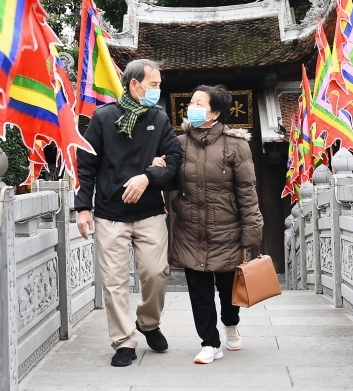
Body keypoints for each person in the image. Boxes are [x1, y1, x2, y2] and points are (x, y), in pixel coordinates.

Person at [75, 59, 181, 367]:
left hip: (149, 211)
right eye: (153, 85)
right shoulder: (103, 118)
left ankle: (147, 322)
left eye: (159, 85)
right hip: (109, 213)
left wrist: (148, 175)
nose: (158, 90)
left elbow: (174, 161)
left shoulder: (159, 120)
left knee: (156, 272)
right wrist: (83, 207)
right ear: (134, 85)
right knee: (115, 281)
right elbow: (88, 165)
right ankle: (123, 342)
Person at [167, 85, 264, 364]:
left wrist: (251, 229)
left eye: (199, 103)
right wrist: (159, 167)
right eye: (191, 101)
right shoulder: (179, 143)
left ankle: (231, 324)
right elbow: (170, 182)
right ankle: (210, 343)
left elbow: (247, 190)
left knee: (227, 290)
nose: (191, 107)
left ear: (216, 112)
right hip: (190, 228)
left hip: (226, 229)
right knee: (199, 292)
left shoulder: (236, 145)